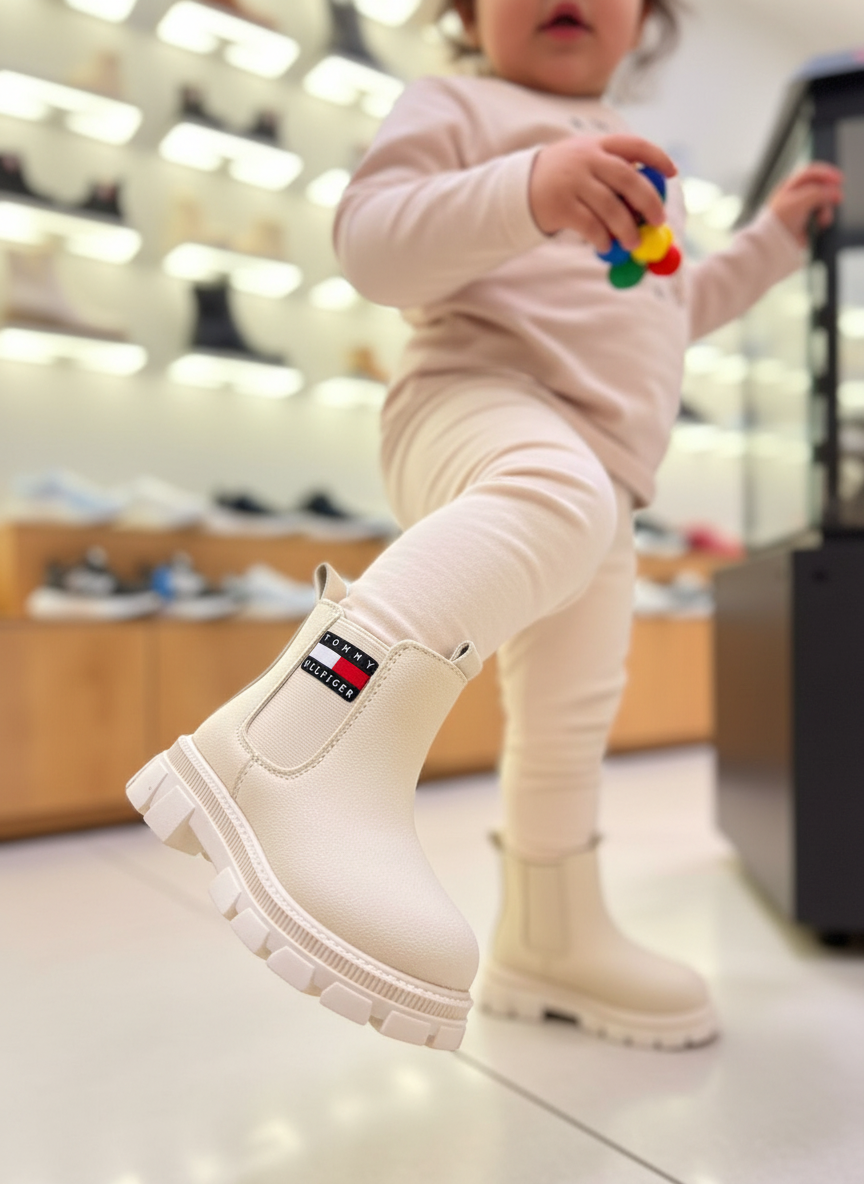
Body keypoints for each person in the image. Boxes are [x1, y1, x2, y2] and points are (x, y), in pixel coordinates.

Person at [127, 0, 844, 1053]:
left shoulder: (644, 168)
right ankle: (291, 746)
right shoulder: (457, 105)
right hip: (475, 402)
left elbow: (664, 306)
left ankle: (552, 934)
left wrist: (774, 243)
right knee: (555, 491)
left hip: (605, 478)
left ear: (644, 17)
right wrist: (528, 188)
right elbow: (373, 246)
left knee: (572, 705)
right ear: (464, 11)